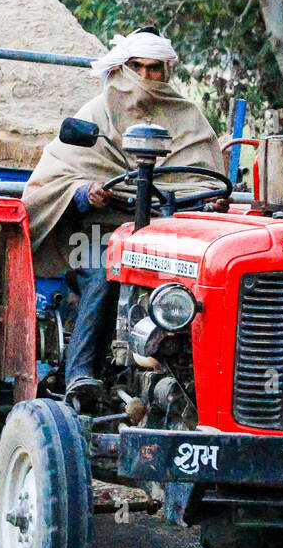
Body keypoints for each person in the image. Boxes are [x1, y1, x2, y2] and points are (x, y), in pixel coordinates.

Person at [22, 27, 224, 400]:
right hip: (98, 232)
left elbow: (201, 175)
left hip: (172, 234)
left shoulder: (188, 117)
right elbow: (59, 175)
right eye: (137, 67)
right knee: (106, 269)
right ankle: (79, 373)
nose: (146, 78)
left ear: (168, 71)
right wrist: (86, 193)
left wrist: (208, 201)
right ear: (121, 68)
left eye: (155, 69)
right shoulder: (96, 113)